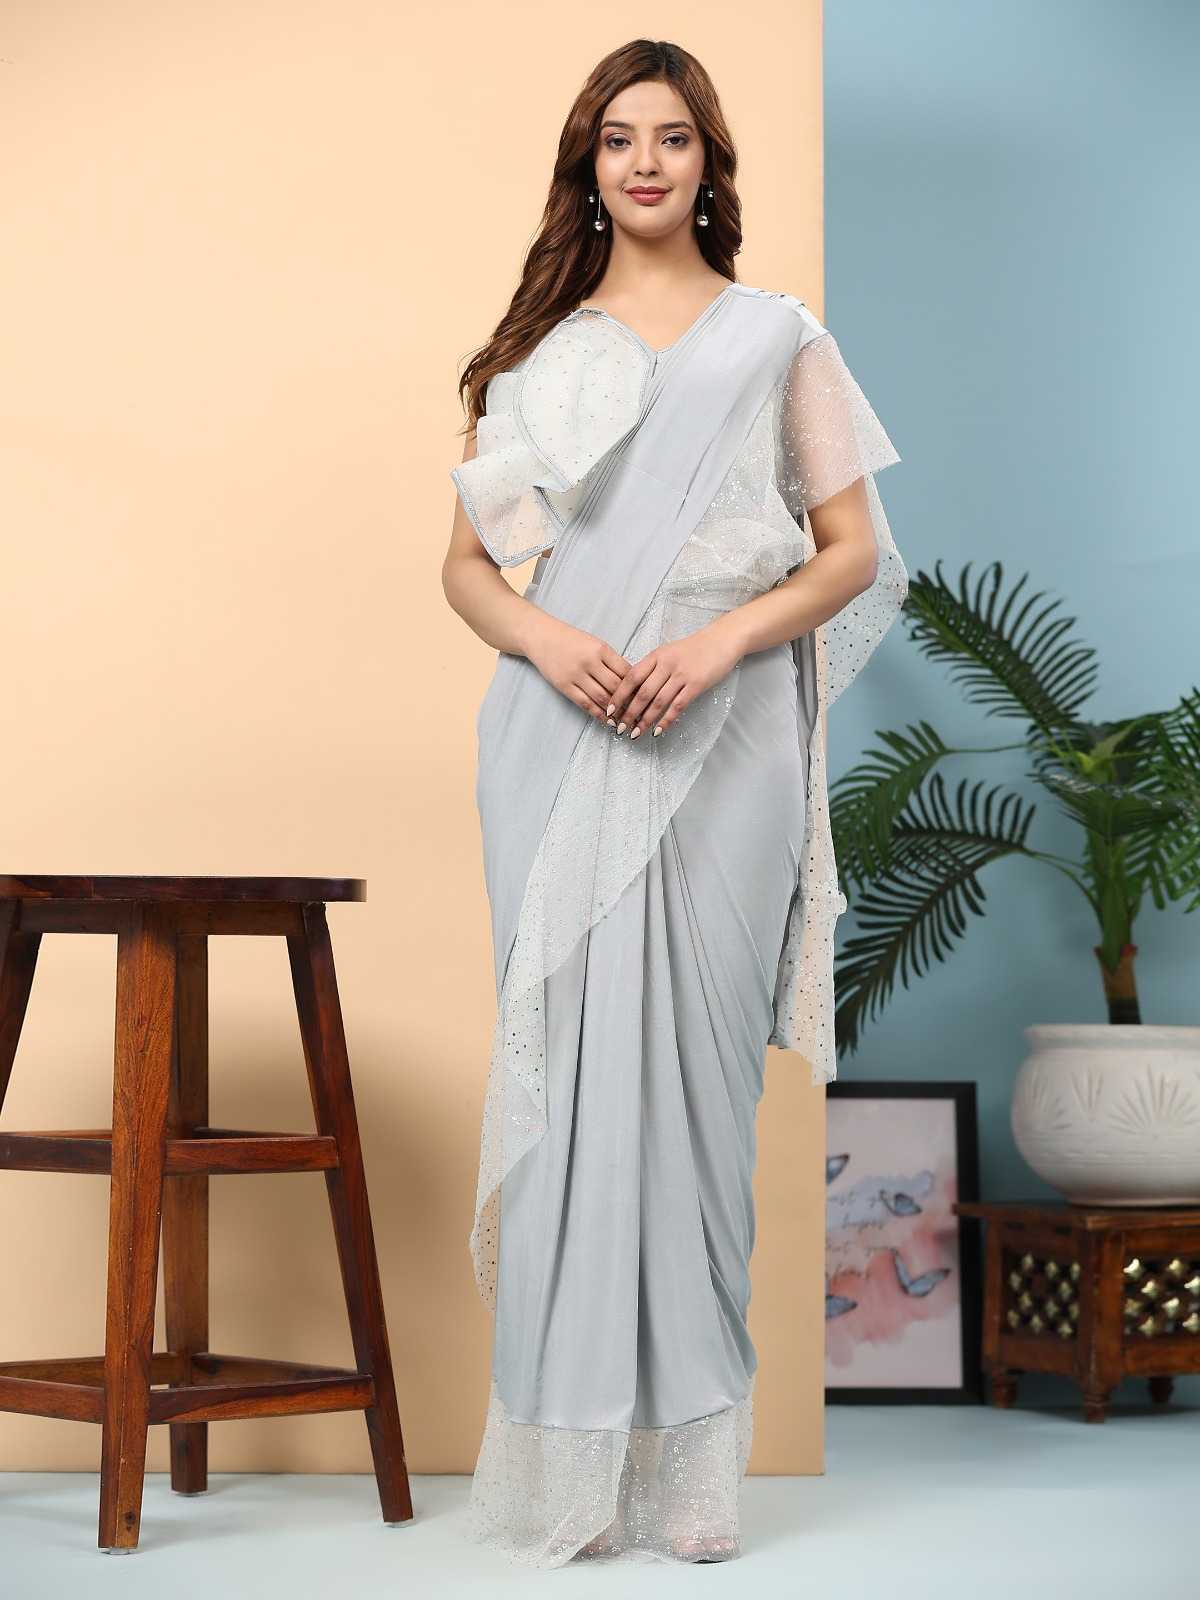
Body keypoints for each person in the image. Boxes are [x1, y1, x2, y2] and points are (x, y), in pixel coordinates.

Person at [441, 37, 905, 1569]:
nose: (646, 161)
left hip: (724, 742)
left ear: (710, 164)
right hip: (557, 741)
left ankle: (692, 1480)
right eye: (619, 138)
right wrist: (549, 642)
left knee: (701, 1106)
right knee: (573, 1094)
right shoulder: (543, 358)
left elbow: (850, 552)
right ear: (588, 166)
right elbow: (468, 570)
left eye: (675, 137)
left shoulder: (776, 341)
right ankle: (569, 1473)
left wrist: (714, 646)